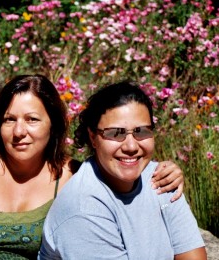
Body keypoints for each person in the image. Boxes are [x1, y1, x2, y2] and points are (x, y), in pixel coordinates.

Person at [0, 75, 185, 259]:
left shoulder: (71, 176)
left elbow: (121, 167)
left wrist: (165, 170)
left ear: (53, 124)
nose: (19, 131)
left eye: (32, 120)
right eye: (9, 119)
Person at [39, 81, 207, 260]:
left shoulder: (162, 179)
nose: (131, 146)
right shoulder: (83, 209)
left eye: (141, 131)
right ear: (93, 137)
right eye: (115, 133)